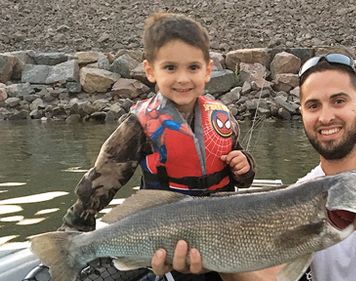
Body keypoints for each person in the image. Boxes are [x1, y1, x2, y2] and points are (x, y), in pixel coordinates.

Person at [151, 51, 356, 281]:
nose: (326, 116)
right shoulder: (298, 194)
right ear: (301, 113)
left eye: (339, 101)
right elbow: (274, 279)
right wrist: (218, 260)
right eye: (313, 105)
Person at [59, 12, 255, 281]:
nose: (183, 79)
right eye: (170, 68)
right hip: (164, 236)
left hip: (221, 234)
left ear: (208, 70)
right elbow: (100, 181)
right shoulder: (138, 125)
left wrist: (244, 167)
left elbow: (241, 178)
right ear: (151, 70)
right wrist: (72, 235)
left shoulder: (221, 118)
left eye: (193, 68)